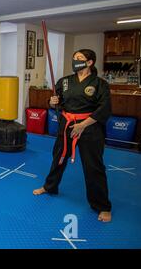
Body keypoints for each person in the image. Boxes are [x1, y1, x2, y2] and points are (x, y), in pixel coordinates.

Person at [33, 49, 112, 222]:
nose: (75, 61)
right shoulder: (65, 81)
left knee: (93, 167)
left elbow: (104, 108)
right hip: (67, 125)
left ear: (90, 62)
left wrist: (83, 125)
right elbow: (58, 101)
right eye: (74, 58)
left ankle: (102, 206)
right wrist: (52, 101)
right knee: (58, 158)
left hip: (89, 128)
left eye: (79, 58)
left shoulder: (100, 84)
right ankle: (50, 187)